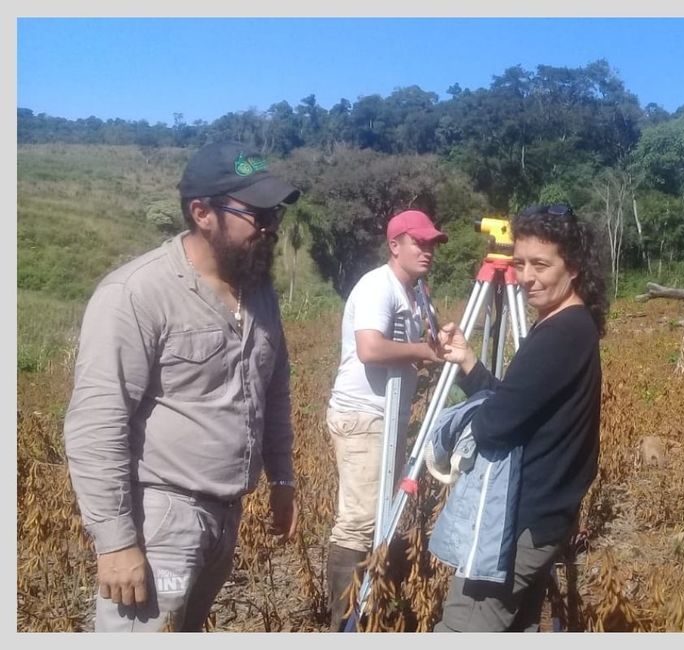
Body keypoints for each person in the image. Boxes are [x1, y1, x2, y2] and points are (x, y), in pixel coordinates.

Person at [63, 141, 301, 632]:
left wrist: (281, 479)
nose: (270, 227)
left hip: (225, 516)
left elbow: (274, 391)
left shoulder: (259, 292)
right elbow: (97, 423)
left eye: (274, 213)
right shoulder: (136, 294)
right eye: (257, 214)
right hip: (160, 518)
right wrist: (116, 542)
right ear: (202, 213)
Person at [432, 203, 608, 632]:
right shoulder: (573, 326)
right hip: (541, 518)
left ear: (574, 267)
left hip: (518, 523)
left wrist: (464, 423)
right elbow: (519, 404)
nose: (526, 276)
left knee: (465, 628)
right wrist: (470, 364)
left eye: (540, 265)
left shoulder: (559, 335)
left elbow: (496, 424)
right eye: (520, 263)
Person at [324, 209, 447, 631]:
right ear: (395, 245)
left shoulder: (414, 292)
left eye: (431, 244)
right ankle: (345, 623)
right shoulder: (379, 286)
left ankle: (372, 609)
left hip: (385, 418)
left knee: (379, 518)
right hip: (364, 417)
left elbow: (409, 350)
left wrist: (432, 347)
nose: (428, 251)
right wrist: (423, 351)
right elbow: (371, 349)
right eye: (419, 242)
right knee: (358, 523)